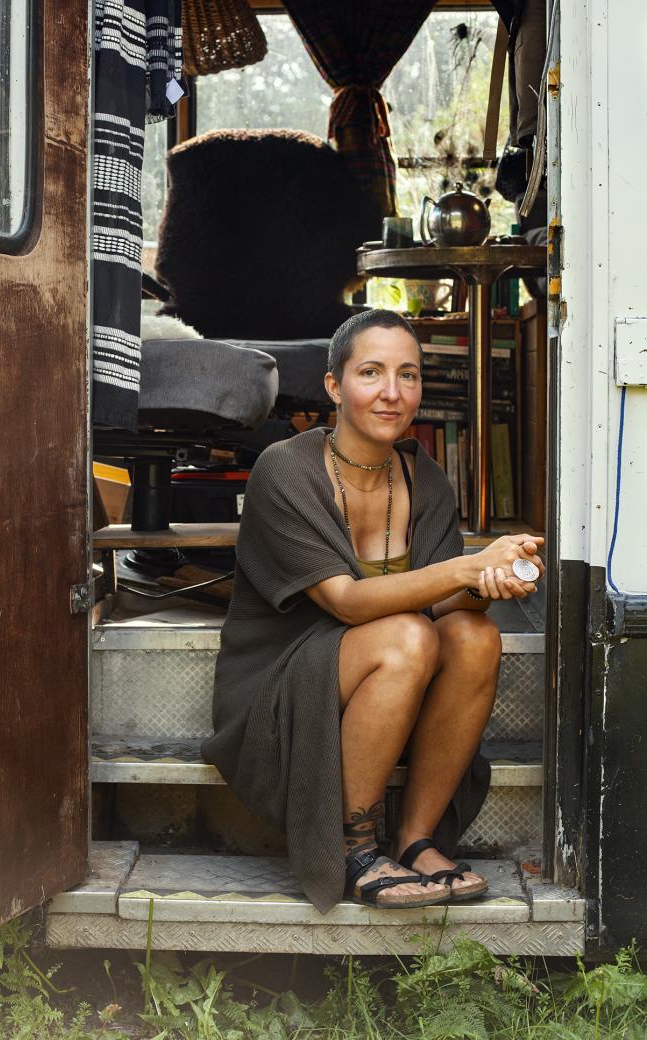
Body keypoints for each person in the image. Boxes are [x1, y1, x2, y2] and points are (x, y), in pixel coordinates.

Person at [201, 309, 545, 912]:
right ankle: (354, 845)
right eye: (371, 372)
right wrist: (464, 566)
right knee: (407, 638)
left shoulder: (425, 476)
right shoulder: (284, 469)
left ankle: (415, 838)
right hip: (279, 685)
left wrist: (493, 578)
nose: (393, 392)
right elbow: (347, 601)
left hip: (384, 676)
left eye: (408, 375)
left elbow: (442, 600)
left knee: (475, 636)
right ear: (335, 386)